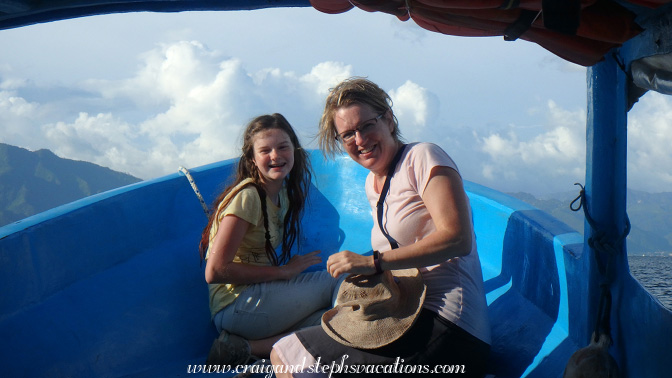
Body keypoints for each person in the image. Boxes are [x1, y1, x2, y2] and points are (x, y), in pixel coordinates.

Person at [270, 78, 492, 377]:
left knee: (289, 355)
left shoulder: (423, 157)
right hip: (403, 315)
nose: (359, 140)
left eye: (366, 126)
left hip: (449, 325)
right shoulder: (373, 183)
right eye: (347, 134)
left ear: (388, 119)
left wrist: (373, 261)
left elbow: (457, 238)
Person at [200, 113, 341, 365]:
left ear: (294, 151)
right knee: (339, 281)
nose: (275, 156)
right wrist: (284, 272)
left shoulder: (282, 194)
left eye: (283, 147)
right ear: (252, 159)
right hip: (236, 306)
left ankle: (242, 350)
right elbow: (215, 270)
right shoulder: (249, 197)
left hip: (252, 307)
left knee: (329, 319)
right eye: (265, 150)